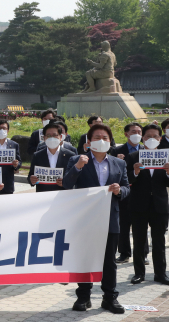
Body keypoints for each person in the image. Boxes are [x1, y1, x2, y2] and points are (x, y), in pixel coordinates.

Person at [62, 124, 129, 314]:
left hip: (109, 219)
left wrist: (119, 190)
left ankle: (109, 298)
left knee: (109, 261)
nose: (102, 140)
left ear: (110, 141)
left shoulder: (119, 163)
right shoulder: (77, 160)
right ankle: (83, 297)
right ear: (88, 142)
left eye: (105, 138)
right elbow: (67, 184)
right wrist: (77, 167)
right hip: (84, 219)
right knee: (85, 258)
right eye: (97, 137)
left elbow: (126, 188)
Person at [126, 124, 169, 285]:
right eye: (148, 136)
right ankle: (139, 273)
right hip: (139, 205)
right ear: (142, 138)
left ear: (160, 138)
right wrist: (135, 172)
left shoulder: (166, 156)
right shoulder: (133, 157)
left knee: (159, 241)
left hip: (159, 205)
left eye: (155, 136)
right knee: (138, 240)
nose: (152, 139)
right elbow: (127, 180)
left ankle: (160, 274)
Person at [111, 122, 147, 264]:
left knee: (141, 226)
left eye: (139, 132)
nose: (137, 134)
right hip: (124, 193)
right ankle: (124, 253)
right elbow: (112, 172)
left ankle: (143, 254)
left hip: (141, 193)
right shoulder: (117, 151)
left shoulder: (147, 150)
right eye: (133, 132)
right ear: (126, 134)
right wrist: (117, 161)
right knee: (124, 225)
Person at [28, 123, 76, 192]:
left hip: (63, 195)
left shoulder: (70, 155)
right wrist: (31, 179)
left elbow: (74, 177)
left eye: (54, 135)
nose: (52, 138)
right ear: (44, 138)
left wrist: (66, 182)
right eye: (48, 135)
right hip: (43, 195)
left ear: (60, 137)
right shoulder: (37, 155)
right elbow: (30, 176)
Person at [0, 119, 22, 194]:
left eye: (4, 128)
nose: (1, 130)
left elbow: (19, 161)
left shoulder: (14, 144)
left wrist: (16, 165)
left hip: (8, 182)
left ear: (7, 131)